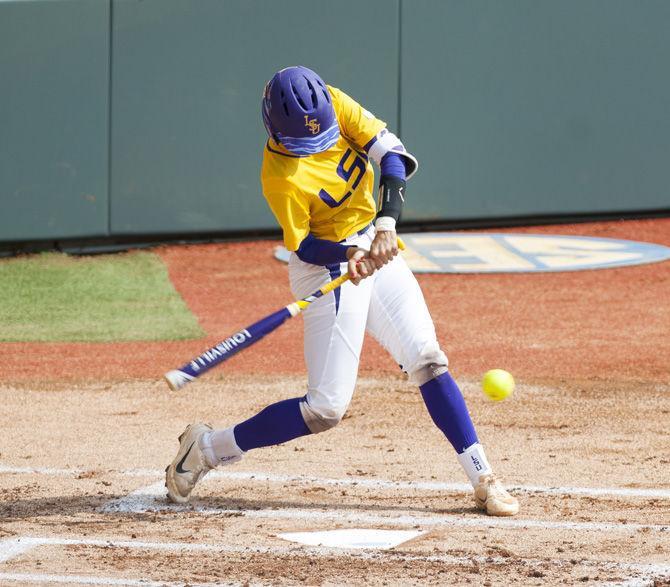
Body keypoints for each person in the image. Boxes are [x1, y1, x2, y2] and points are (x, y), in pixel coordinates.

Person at [165, 66, 519, 516]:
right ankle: (208, 448)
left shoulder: (332, 101)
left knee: (427, 359)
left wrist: (386, 224)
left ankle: (484, 478)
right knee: (325, 409)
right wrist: (350, 252)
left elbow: (392, 153)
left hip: (372, 238)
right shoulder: (280, 175)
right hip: (326, 266)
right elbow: (306, 245)